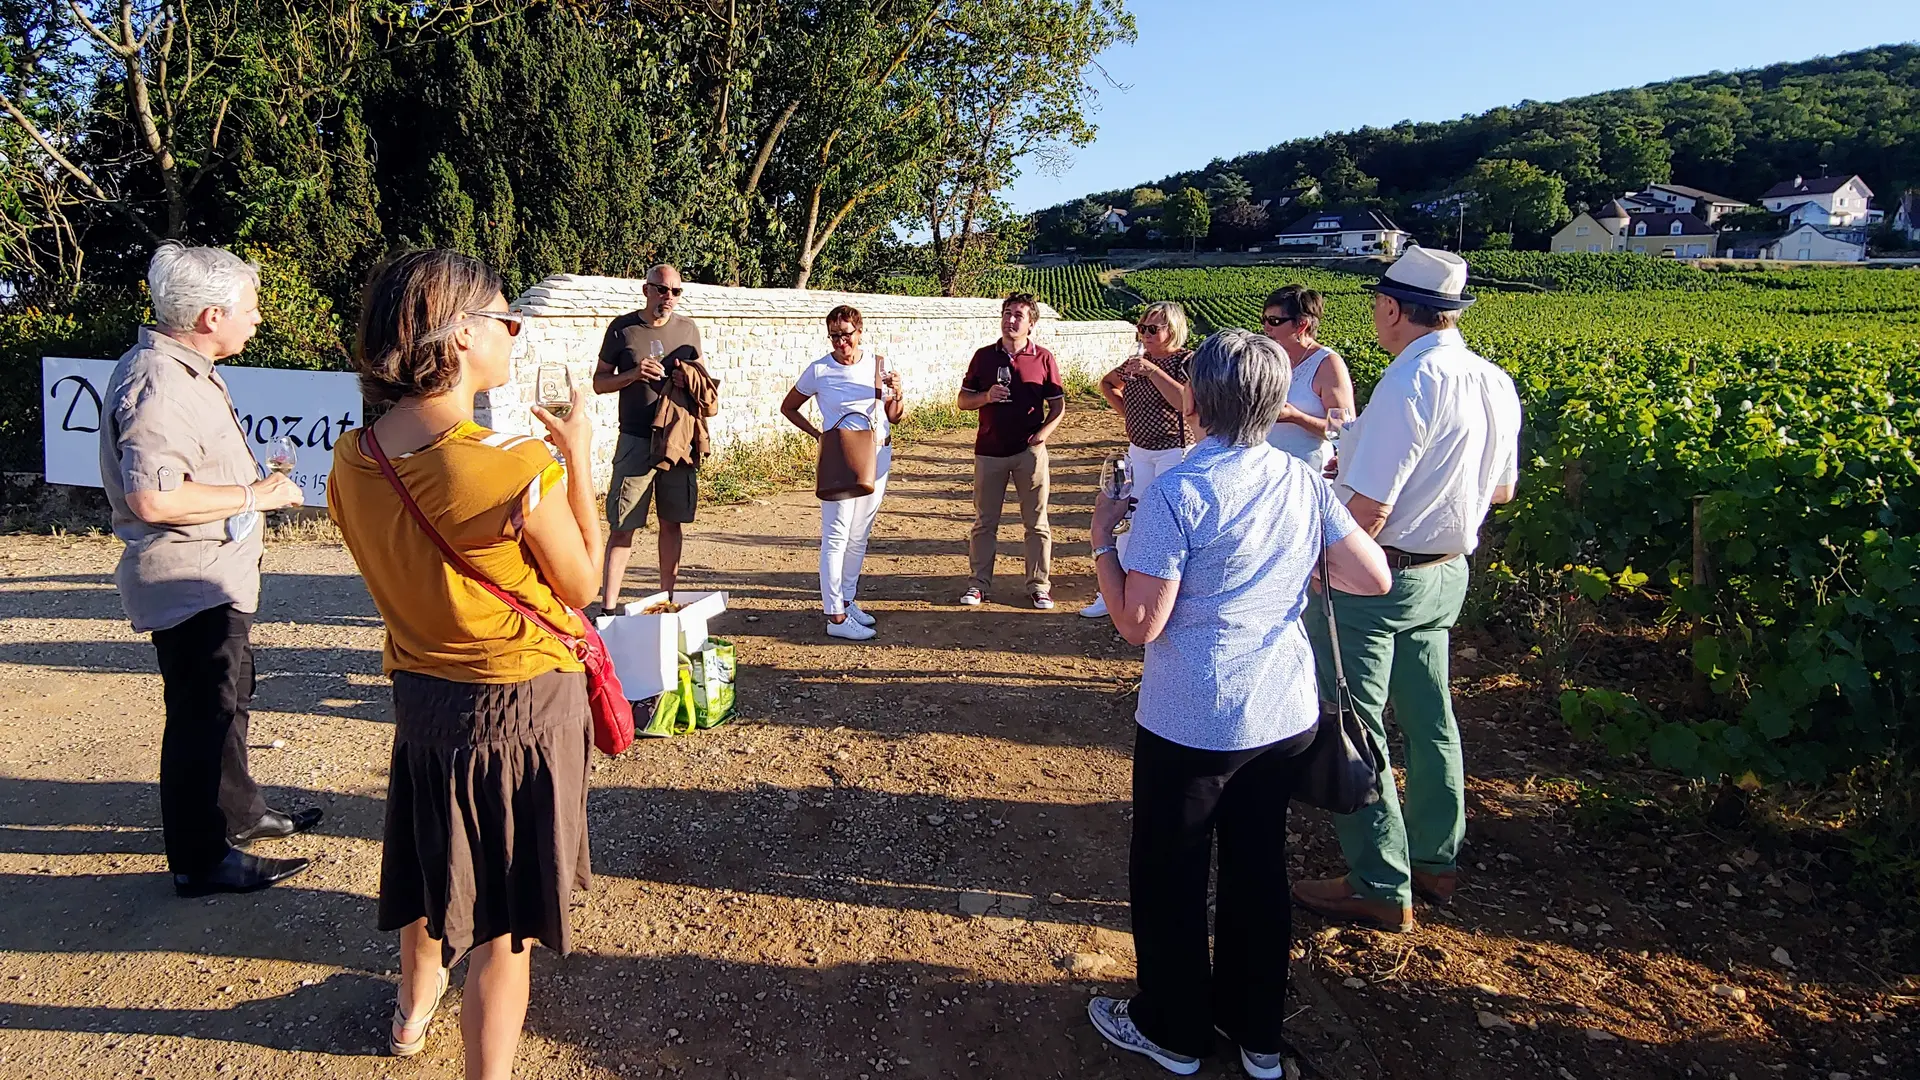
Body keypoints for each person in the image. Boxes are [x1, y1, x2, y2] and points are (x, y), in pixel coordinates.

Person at [1084, 329, 1391, 1078]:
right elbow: (1372, 577)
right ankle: (1256, 1037)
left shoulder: (1179, 493)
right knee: (1258, 871)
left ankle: (1174, 1031)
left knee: (1172, 874)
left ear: (1202, 402)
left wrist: (1100, 541)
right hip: (1282, 713)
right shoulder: (1303, 483)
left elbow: (1137, 625)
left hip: (1193, 718)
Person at [328, 250, 602, 1077]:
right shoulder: (508, 465)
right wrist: (578, 456)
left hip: (422, 700)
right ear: (456, 339)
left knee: (431, 864)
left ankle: (413, 1011)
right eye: (502, 316)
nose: (513, 330)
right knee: (502, 929)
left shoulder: (354, 456)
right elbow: (583, 583)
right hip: (515, 708)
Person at [1292, 247, 1523, 934]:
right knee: (1431, 717)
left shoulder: (1409, 380)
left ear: (1393, 309)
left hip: (1378, 577)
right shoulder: (1493, 380)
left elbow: (1372, 509)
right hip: (1446, 571)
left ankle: (1378, 881)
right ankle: (1435, 856)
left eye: (1376, 304)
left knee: (1353, 727)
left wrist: (1316, 565)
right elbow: (1503, 490)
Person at [98, 242, 318, 898]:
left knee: (229, 703)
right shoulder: (159, 381)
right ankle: (199, 859)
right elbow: (154, 498)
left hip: (213, 574)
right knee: (201, 717)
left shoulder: (185, 368)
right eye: (250, 309)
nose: (257, 319)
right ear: (210, 316)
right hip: (187, 579)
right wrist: (260, 494)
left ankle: (241, 814)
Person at [593, 263, 715, 611]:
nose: (669, 297)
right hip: (635, 439)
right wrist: (633, 374)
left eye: (676, 291)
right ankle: (608, 609)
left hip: (677, 439)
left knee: (672, 522)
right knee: (622, 526)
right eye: (662, 289)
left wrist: (688, 380)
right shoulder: (622, 330)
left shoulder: (688, 329)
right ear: (646, 289)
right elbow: (599, 383)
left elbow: (704, 380)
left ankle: (668, 601)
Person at [780, 305, 905, 641]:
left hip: (877, 453)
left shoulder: (879, 364)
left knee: (859, 533)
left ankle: (847, 601)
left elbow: (895, 414)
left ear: (859, 332)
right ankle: (834, 615)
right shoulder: (820, 370)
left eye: (846, 335)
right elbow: (788, 406)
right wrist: (818, 435)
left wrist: (898, 391)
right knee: (836, 534)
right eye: (834, 336)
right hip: (840, 457)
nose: (840, 343)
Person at [1080, 301, 1197, 619]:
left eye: (1151, 329)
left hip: (1175, 451)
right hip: (1140, 451)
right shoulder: (1136, 363)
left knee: (1167, 523)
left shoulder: (1186, 362)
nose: (1143, 334)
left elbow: (1186, 402)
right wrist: (1129, 416)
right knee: (1127, 519)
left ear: (1171, 330)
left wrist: (1152, 372)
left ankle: (1168, 595)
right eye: (1141, 327)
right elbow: (1107, 384)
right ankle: (1113, 593)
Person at [956, 292, 1065, 609]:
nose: (1010, 320)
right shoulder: (983, 357)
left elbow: (1058, 406)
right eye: (1007, 313)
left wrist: (1042, 435)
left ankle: (1039, 585)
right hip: (989, 451)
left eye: (1018, 315)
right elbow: (963, 401)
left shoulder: (1043, 358)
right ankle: (978, 585)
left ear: (1031, 324)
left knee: (1036, 522)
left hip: (1028, 453)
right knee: (985, 522)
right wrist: (987, 397)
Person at [1260, 286, 1355, 471]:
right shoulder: (1271, 357)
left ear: (1302, 325)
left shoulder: (1327, 364)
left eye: (1274, 321)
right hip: (1268, 471)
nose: (1266, 327)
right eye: (1263, 319)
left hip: (1308, 472)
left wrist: (1297, 417)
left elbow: (1344, 430)